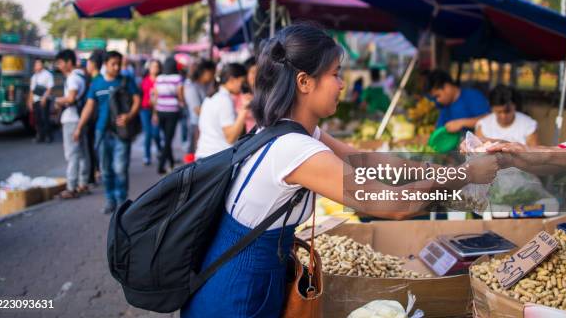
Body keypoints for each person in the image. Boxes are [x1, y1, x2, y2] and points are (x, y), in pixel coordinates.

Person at [181, 23, 499, 317]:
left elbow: (366, 160)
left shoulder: (285, 130)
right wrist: (466, 175)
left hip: (246, 282)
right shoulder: (295, 149)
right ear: (304, 82)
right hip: (237, 296)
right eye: (335, 74)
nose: (343, 84)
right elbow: (395, 205)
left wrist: (445, 168)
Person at [74, 51, 141, 214]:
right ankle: (110, 200)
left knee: (120, 168)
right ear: (105, 64)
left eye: (119, 64)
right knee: (106, 169)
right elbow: (89, 106)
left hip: (121, 132)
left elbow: (137, 100)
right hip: (102, 132)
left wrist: (129, 116)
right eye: (113, 64)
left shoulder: (126, 80)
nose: (117, 67)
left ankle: (122, 202)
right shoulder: (97, 83)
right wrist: (79, 127)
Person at [54, 50, 90, 198]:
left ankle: (71, 187)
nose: (59, 66)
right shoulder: (81, 75)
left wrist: (57, 100)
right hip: (78, 118)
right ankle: (83, 184)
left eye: (60, 63)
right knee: (82, 153)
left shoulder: (73, 78)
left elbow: (70, 98)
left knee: (72, 154)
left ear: (68, 62)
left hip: (72, 119)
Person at [195, 63, 249, 159]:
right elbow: (231, 137)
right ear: (232, 80)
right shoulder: (224, 100)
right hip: (216, 158)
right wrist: (244, 110)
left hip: (205, 155)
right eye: (242, 81)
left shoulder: (212, 96)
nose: (243, 86)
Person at [152, 57, 185, 174]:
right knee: (168, 138)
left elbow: (155, 97)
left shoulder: (159, 78)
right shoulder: (178, 78)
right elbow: (180, 95)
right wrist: (183, 103)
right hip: (173, 111)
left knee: (166, 137)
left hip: (160, 110)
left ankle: (170, 162)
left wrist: (154, 113)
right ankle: (161, 166)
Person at [184, 60, 216, 157]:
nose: (214, 75)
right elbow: (197, 109)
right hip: (196, 125)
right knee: (195, 152)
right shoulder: (191, 87)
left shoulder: (208, 85)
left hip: (206, 124)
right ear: (205, 72)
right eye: (212, 72)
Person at [85, 50, 104, 186]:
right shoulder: (95, 79)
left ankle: (93, 174)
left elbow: (91, 104)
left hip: (93, 120)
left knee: (92, 148)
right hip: (95, 119)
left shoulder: (96, 81)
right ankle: (95, 171)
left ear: (93, 64)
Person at [139, 59, 162, 166]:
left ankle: (160, 150)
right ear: (149, 68)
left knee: (156, 133)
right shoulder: (144, 80)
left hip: (157, 110)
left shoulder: (161, 80)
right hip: (144, 109)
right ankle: (147, 156)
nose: (155, 68)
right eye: (153, 66)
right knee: (147, 133)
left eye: (157, 66)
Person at [28, 59, 54, 143]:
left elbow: (50, 88)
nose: (36, 66)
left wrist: (44, 98)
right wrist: (30, 101)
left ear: (42, 65)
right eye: (35, 64)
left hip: (45, 100)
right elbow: (31, 90)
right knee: (37, 119)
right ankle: (40, 136)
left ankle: (48, 136)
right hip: (36, 100)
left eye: (38, 64)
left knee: (45, 118)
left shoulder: (47, 75)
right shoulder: (34, 77)